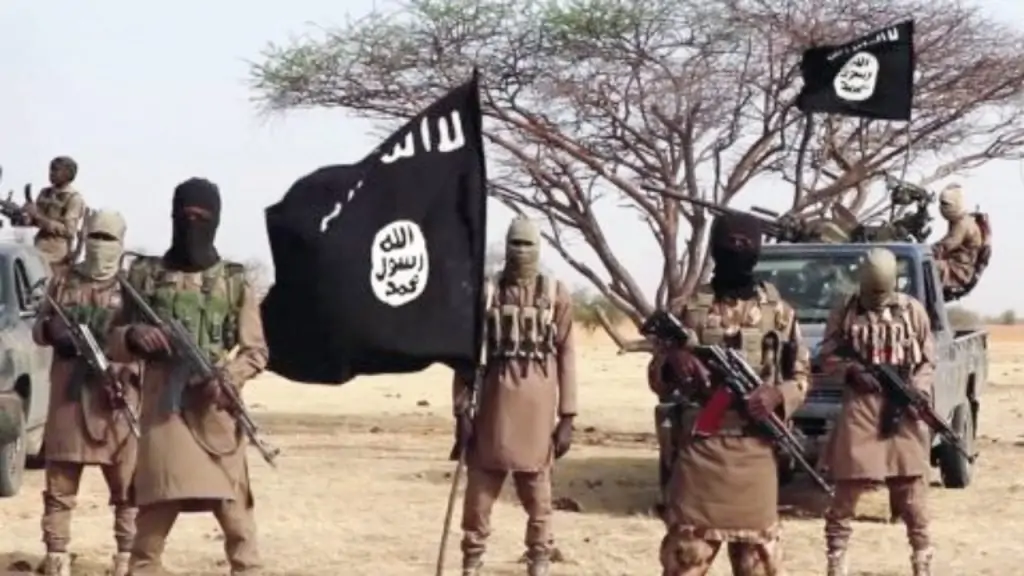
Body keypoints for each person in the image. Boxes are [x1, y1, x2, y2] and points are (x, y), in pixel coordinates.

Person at [106, 177, 268, 576]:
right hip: (164, 412)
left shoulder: (233, 281)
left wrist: (228, 377)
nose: (192, 223)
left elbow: (256, 351)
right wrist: (134, 335)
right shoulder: (144, 276)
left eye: (202, 217)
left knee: (237, 522)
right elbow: (112, 339)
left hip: (215, 409)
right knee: (152, 523)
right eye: (185, 215)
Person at [659, 212, 810, 576]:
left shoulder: (780, 313)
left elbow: (802, 377)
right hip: (700, 455)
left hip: (756, 454)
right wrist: (674, 360)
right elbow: (658, 380)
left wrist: (777, 395)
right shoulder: (688, 309)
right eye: (730, 243)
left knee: (758, 567)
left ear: (757, 250)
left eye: (745, 244)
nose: (737, 250)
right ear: (715, 247)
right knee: (685, 563)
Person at [451, 216, 577, 576]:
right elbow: (465, 356)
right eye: (515, 244)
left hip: (538, 412)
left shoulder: (555, 294)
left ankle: (539, 560)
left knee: (538, 496)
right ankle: (472, 560)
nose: (521, 251)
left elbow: (567, 355)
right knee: (479, 495)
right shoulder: (488, 292)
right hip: (492, 407)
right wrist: (461, 411)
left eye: (527, 244)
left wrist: (568, 416)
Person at [816, 247, 935, 576]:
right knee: (846, 490)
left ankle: (922, 560)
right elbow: (826, 355)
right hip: (861, 406)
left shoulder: (912, 311)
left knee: (912, 492)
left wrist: (918, 390)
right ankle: (836, 560)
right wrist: (851, 370)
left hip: (903, 405)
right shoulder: (846, 310)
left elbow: (928, 360)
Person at [33, 210, 140, 576]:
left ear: (121, 242)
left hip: (117, 399)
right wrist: (52, 331)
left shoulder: (131, 289)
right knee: (59, 486)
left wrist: (126, 366)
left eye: (108, 239)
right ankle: (56, 555)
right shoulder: (62, 281)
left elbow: (146, 340)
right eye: (95, 237)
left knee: (128, 487)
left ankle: (125, 557)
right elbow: (39, 328)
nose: (100, 245)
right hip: (68, 396)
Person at [23, 156, 87, 271]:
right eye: (51, 169)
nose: (51, 173)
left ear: (67, 174)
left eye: (56, 170)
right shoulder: (45, 193)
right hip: (38, 248)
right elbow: (34, 221)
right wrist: (26, 216)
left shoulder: (73, 198)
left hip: (56, 256)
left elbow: (68, 230)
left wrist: (37, 215)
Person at [932, 183, 983, 292]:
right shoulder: (959, 221)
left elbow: (946, 246)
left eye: (946, 204)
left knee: (923, 267)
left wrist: (925, 250)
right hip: (954, 266)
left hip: (959, 270)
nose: (942, 208)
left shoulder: (962, 224)